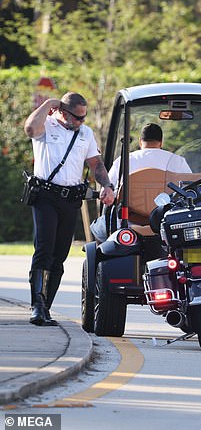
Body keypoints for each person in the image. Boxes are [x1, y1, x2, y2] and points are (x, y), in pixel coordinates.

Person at [24, 92, 115, 326]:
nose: (81, 122)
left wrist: (106, 185)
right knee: (44, 250)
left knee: (60, 255)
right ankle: (37, 306)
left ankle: (46, 308)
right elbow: (29, 130)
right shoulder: (46, 126)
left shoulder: (85, 134)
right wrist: (47, 104)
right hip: (45, 196)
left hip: (70, 200)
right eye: (77, 117)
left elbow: (95, 164)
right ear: (63, 112)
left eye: (84, 117)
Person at [90, 123, 191, 242]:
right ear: (161, 142)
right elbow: (188, 189)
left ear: (140, 141)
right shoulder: (178, 161)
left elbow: (109, 190)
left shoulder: (124, 161)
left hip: (130, 222)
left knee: (97, 227)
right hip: (166, 219)